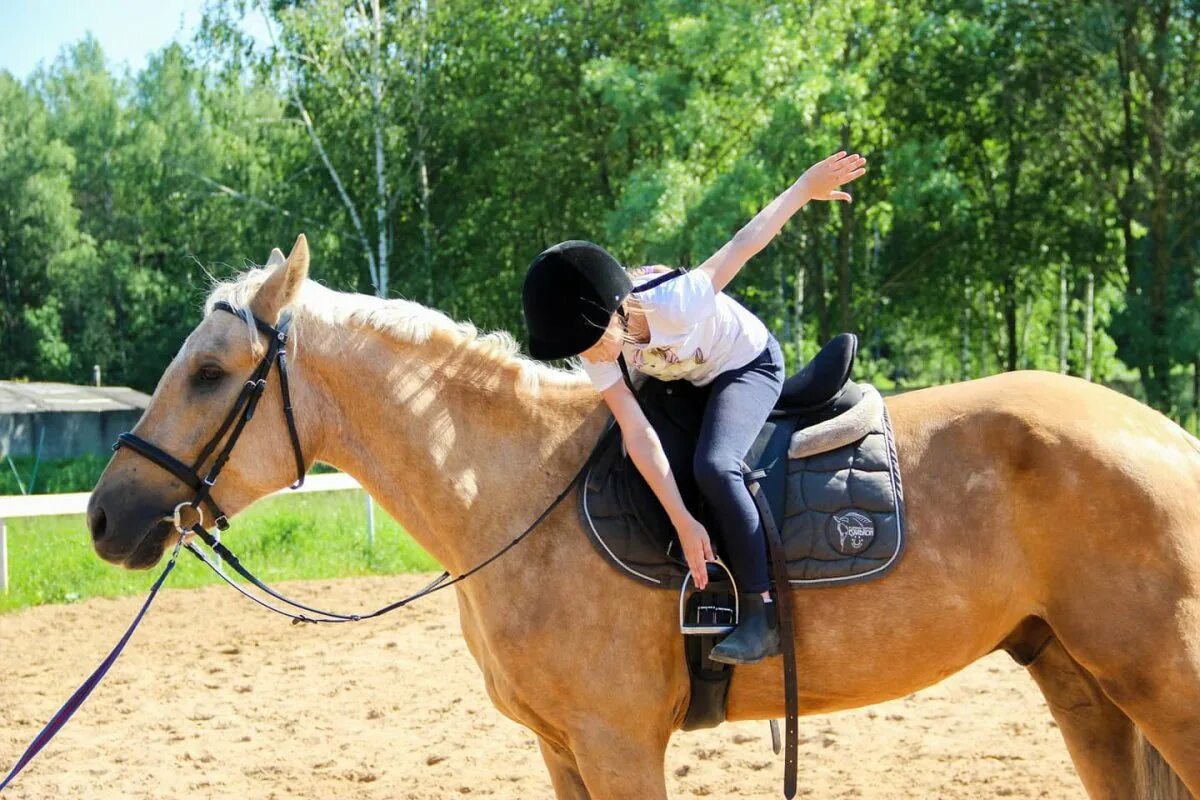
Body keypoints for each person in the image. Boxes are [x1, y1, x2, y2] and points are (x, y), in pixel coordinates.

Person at [522, 151, 867, 664]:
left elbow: (744, 244)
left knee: (715, 465)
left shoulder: (675, 301)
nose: (591, 356)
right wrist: (683, 520)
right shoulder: (595, 345)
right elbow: (637, 432)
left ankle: (762, 610)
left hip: (744, 364)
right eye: (582, 349)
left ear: (616, 311)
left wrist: (803, 188)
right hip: (682, 377)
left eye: (594, 341)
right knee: (634, 462)